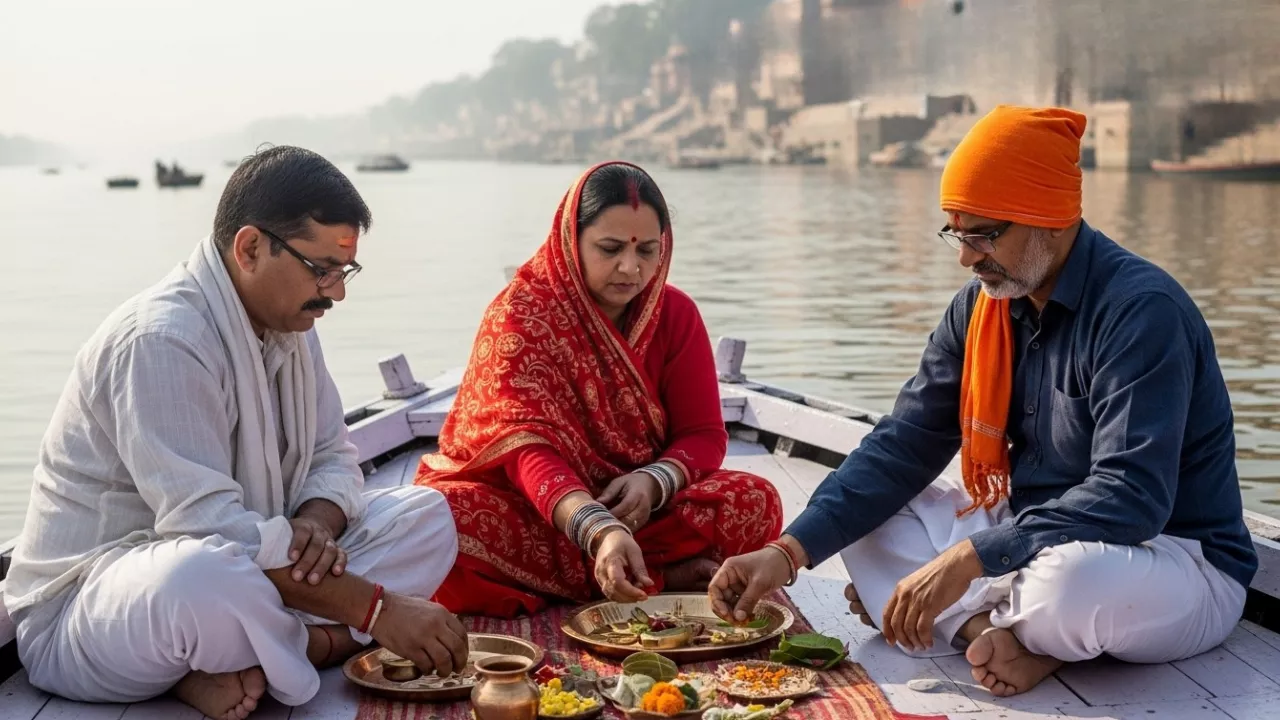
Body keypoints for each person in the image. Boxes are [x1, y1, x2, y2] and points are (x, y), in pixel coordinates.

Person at [708, 106, 1257, 697]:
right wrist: (787, 553)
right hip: (1031, 533)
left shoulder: (1141, 311)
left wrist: (969, 559)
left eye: (983, 235)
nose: (966, 257)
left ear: (1049, 217)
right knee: (866, 521)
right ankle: (989, 634)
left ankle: (1000, 622)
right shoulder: (979, 309)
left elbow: (1132, 497)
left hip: (1170, 560)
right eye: (956, 232)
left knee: (1070, 586)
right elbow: (904, 444)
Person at [4, 146, 466, 720]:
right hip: (98, 611)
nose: (337, 292)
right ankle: (315, 645)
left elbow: (332, 454)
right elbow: (209, 528)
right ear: (249, 248)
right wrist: (377, 612)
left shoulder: (292, 323)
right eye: (321, 268)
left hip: (261, 562)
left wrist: (315, 527)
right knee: (202, 577)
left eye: (344, 270)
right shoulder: (161, 340)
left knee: (427, 516)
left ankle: (239, 660)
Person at [415, 161, 783, 618]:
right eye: (610, 249)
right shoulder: (520, 315)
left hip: (639, 508)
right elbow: (526, 450)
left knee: (755, 502)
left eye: (648, 250)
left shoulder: (676, 315)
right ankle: (654, 574)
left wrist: (653, 482)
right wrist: (597, 528)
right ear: (572, 240)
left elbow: (705, 433)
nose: (631, 268)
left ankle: (620, 570)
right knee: (438, 518)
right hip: (537, 508)